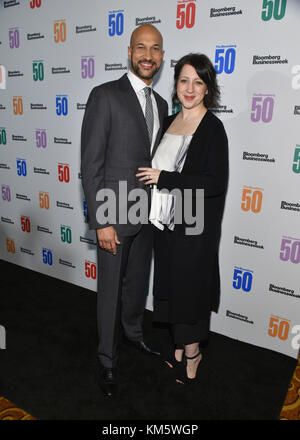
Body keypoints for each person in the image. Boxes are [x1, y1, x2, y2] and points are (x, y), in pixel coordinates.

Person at [81, 24, 168, 396]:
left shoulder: (163, 104)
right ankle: (106, 360)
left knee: (136, 288)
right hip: (114, 216)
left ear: (162, 56)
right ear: (129, 52)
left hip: (148, 216)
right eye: (141, 48)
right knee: (110, 290)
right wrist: (101, 221)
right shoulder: (105, 96)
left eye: (155, 49)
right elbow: (92, 164)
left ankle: (134, 335)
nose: (147, 55)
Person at [136, 53, 228, 385]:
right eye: (183, 80)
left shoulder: (213, 129)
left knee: (189, 292)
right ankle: (178, 345)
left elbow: (214, 183)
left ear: (207, 88)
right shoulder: (170, 120)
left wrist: (165, 178)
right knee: (171, 288)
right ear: (176, 84)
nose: (190, 88)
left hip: (194, 228)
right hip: (165, 224)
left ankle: (194, 353)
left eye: (198, 82)